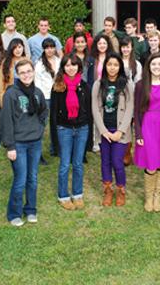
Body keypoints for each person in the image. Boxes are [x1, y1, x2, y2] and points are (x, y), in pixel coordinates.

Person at [0, 59, 47, 227]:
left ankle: (31, 210)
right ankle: (14, 213)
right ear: (17, 75)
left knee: (32, 178)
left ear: (33, 72)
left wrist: (39, 129)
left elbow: (43, 113)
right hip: (18, 144)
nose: (27, 75)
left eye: (29, 71)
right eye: (23, 72)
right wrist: (10, 146)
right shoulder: (11, 94)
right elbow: (6, 121)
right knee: (20, 179)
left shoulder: (38, 92)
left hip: (35, 142)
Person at [134, 53, 160, 212]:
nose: (157, 67)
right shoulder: (140, 85)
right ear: (148, 66)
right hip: (148, 124)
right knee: (151, 161)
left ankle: (158, 196)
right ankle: (148, 196)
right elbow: (136, 110)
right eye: (154, 64)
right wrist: (138, 133)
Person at [91, 53, 134, 207]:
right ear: (105, 66)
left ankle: (121, 189)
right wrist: (103, 131)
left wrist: (120, 131)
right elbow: (95, 109)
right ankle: (108, 189)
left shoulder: (127, 84)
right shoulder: (98, 84)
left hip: (120, 131)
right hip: (104, 130)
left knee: (117, 161)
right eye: (109, 64)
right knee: (105, 161)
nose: (112, 68)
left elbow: (130, 108)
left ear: (120, 67)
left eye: (116, 65)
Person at [50, 54, 92, 210]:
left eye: (74, 65)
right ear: (63, 68)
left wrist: (90, 139)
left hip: (82, 128)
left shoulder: (85, 86)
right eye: (67, 65)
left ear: (79, 67)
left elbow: (89, 112)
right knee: (64, 164)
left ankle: (77, 194)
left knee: (78, 164)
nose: (71, 68)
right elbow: (53, 114)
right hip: (64, 129)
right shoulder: (58, 87)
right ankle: (63, 195)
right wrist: (54, 139)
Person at [35, 38, 61, 160]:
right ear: (44, 49)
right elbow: (37, 82)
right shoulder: (39, 63)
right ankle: (38, 153)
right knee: (42, 124)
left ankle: (54, 148)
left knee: (56, 124)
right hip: (44, 97)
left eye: (52, 47)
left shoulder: (59, 61)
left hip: (57, 96)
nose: (50, 50)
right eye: (47, 47)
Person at [0, 38, 27, 106]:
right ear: (11, 49)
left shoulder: (27, 61)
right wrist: (2, 101)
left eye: (19, 47)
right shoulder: (6, 62)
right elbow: (0, 84)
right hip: (10, 95)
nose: (18, 50)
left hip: (25, 95)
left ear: (23, 48)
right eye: (15, 48)